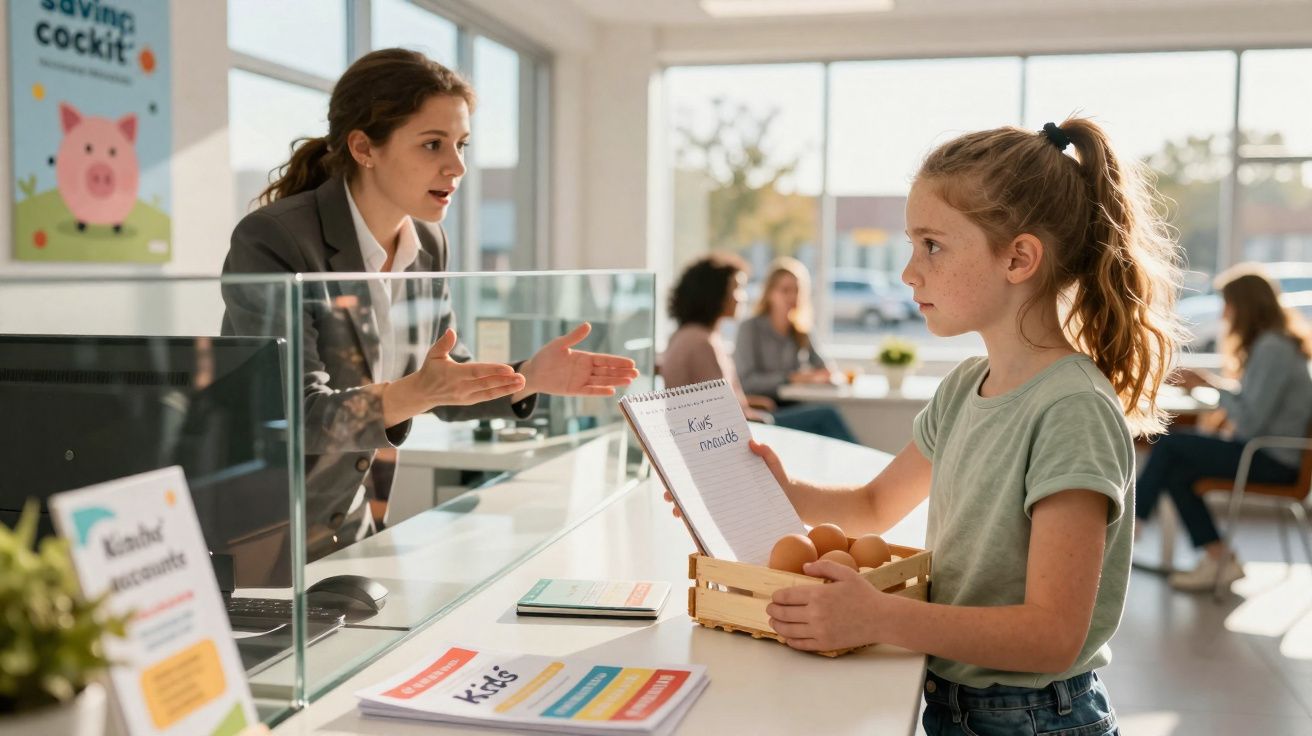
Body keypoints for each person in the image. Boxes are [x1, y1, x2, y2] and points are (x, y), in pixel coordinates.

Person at [668, 119, 1186, 735]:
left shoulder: (1071, 409)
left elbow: (1051, 635)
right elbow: (875, 502)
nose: (910, 272)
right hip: (956, 703)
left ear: (1018, 258)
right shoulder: (964, 387)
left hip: (1037, 719)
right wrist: (783, 492)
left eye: (932, 245)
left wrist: (880, 618)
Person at [220, 49, 638, 557]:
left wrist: (529, 375)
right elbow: (293, 416)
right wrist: (417, 391)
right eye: (433, 144)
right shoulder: (276, 239)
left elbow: (442, 378)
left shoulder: (429, 243)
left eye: (461, 144)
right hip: (266, 534)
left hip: (355, 532)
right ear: (363, 147)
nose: (457, 166)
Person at [1136, 265, 1312, 591]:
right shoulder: (1272, 345)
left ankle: (1133, 522)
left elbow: (1250, 420)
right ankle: (1220, 558)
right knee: (1177, 472)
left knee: (1171, 445)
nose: (1225, 313)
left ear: (1246, 306)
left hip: (1272, 460)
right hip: (1267, 452)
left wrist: (1212, 387)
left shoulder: (1273, 348)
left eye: (1228, 304)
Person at [662, 254, 857, 443]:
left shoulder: (698, 337)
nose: (742, 297)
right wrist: (759, 417)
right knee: (826, 416)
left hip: (743, 422)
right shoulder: (701, 343)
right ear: (716, 293)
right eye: (737, 289)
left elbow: (721, 404)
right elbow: (718, 415)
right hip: (738, 432)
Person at [735, 257, 835, 403]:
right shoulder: (750, 328)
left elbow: (825, 369)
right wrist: (791, 378)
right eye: (785, 290)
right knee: (827, 415)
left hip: (795, 403)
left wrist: (820, 376)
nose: (793, 296)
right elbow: (747, 381)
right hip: (767, 407)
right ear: (770, 293)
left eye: (797, 290)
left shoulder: (801, 329)